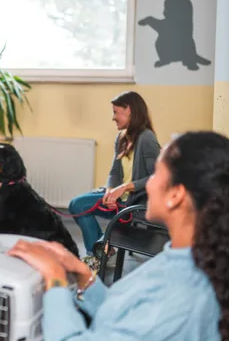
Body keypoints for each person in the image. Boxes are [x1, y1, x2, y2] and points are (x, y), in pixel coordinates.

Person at [7, 131, 229, 341]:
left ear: (176, 196)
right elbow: (134, 320)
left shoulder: (179, 296)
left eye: (156, 174)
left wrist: (54, 280)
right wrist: (85, 277)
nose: (148, 184)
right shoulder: (191, 260)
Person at [67, 91, 161, 259]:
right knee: (76, 205)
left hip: (134, 204)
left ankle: (97, 256)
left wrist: (124, 188)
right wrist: (111, 191)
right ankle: (103, 251)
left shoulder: (147, 138)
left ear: (129, 110)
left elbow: (157, 178)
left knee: (80, 205)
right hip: (119, 198)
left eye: (116, 112)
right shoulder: (122, 138)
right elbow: (115, 171)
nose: (113, 117)